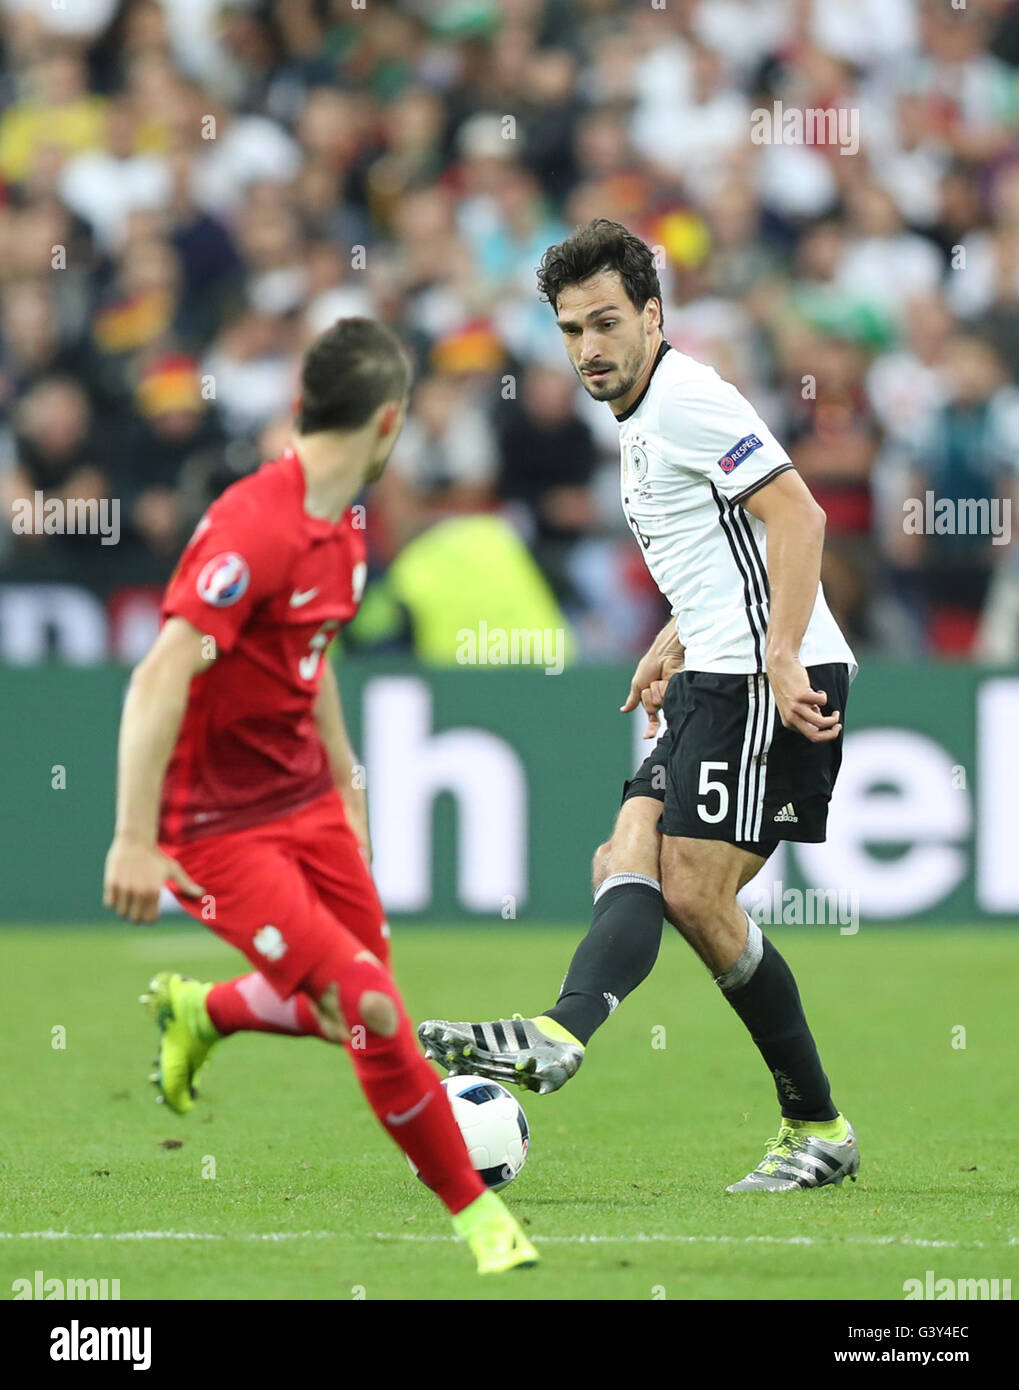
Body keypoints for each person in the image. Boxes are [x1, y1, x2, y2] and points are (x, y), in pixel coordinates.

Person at [420, 221, 860, 1194]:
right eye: (571, 330)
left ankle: (802, 1119)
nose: (589, 348)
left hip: (761, 681)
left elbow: (797, 514)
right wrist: (674, 636)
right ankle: (564, 1034)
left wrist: (779, 654)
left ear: (653, 316)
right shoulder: (639, 416)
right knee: (625, 857)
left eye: (607, 322)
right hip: (715, 667)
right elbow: (719, 551)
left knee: (692, 890)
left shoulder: (688, 400)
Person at [102, 316, 537, 1273]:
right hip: (210, 830)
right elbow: (159, 674)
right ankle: (480, 1225)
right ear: (389, 423)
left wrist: (347, 786)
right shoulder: (255, 524)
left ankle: (202, 1011)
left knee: (354, 1004)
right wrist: (135, 840)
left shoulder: (343, 525)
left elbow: (314, 655)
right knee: (373, 1007)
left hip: (302, 803)